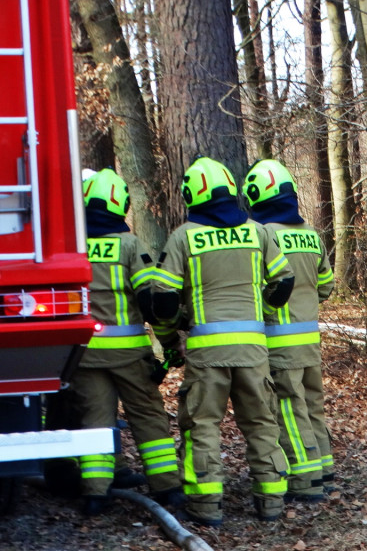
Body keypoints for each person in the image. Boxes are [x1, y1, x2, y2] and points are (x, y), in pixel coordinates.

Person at [148, 157, 295, 526]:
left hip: (207, 353)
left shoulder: (184, 237)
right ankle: (271, 500)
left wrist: (173, 334)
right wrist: (257, 310)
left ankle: (206, 505)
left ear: (192, 194)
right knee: (262, 423)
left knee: (203, 426)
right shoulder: (258, 232)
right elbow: (284, 281)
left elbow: (162, 300)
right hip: (253, 350)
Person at [75, 168, 185, 516]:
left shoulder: (74, 247)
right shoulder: (129, 245)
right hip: (128, 355)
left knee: (94, 421)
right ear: (119, 203)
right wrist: (168, 344)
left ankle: (95, 493)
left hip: (84, 355)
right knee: (149, 418)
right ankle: (167, 488)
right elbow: (150, 301)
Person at [244, 159, 335, 500]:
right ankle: (324, 470)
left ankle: (304, 480)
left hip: (279, 341)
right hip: (310, 339)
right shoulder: (311, 235)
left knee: (290, 411)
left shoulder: (263, 234)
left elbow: (257, 286)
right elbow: (325, 286)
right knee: (313, 406)